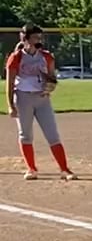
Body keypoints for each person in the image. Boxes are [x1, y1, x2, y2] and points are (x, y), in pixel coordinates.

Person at [7, 25, 76, 181]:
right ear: (25, 39)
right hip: (23, 98)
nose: (38, 40)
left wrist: (51, 84)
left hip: (42, 99)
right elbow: (10, 83)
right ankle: (31, 169)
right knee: (25, 135)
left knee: (53, 135)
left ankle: (64, 169)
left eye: (40, 37)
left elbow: (52, 77)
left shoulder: (46, 56)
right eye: (35, 37)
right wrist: (11, 105)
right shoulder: (16, 57)